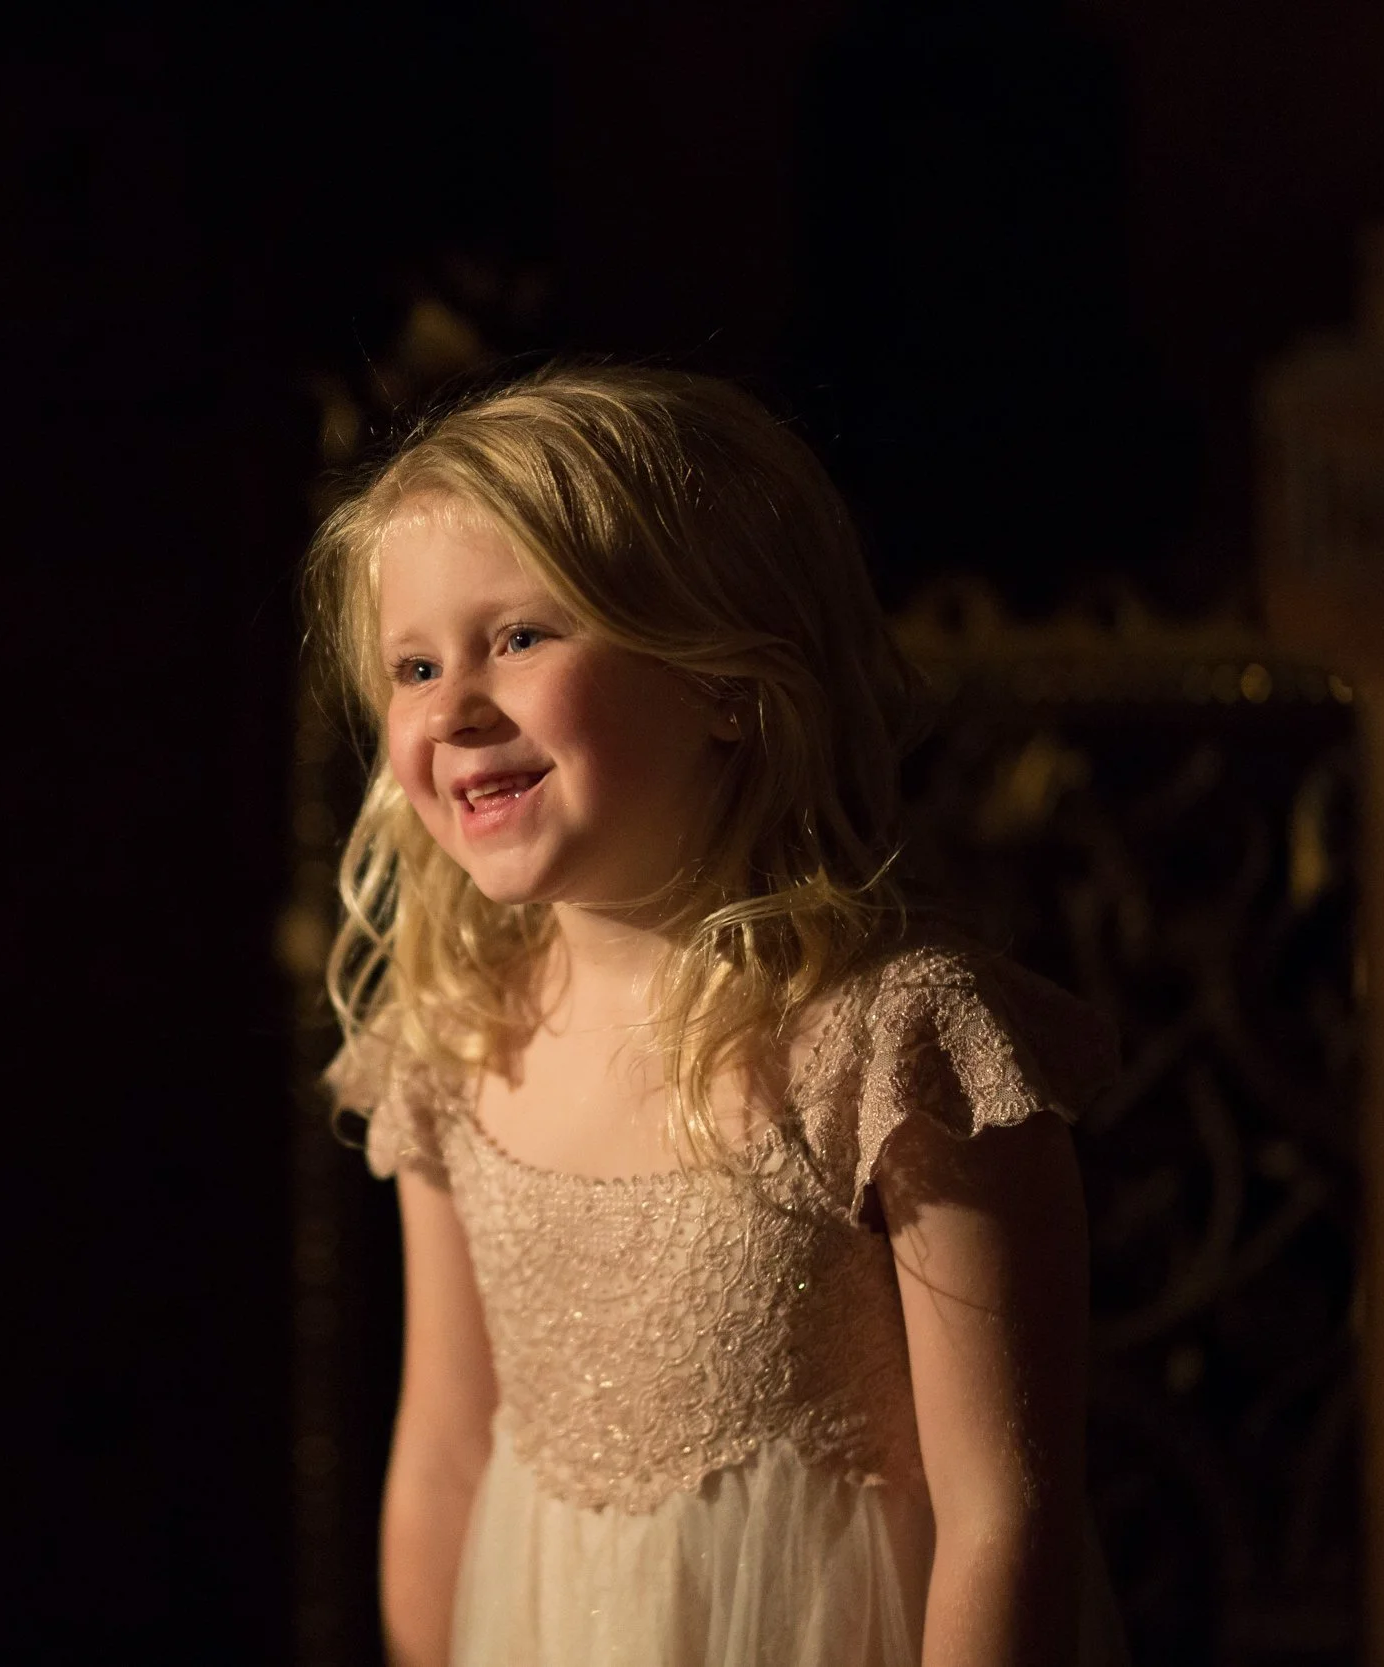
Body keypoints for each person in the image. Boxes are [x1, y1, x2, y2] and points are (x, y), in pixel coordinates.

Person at [310, 364, 1128, 1667]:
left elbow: (1002, 1511)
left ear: (724, 681)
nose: (455, 706)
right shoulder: (454, 1039)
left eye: (520, 636)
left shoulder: (892, 1046)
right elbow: (447, 1443)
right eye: (414, 663)